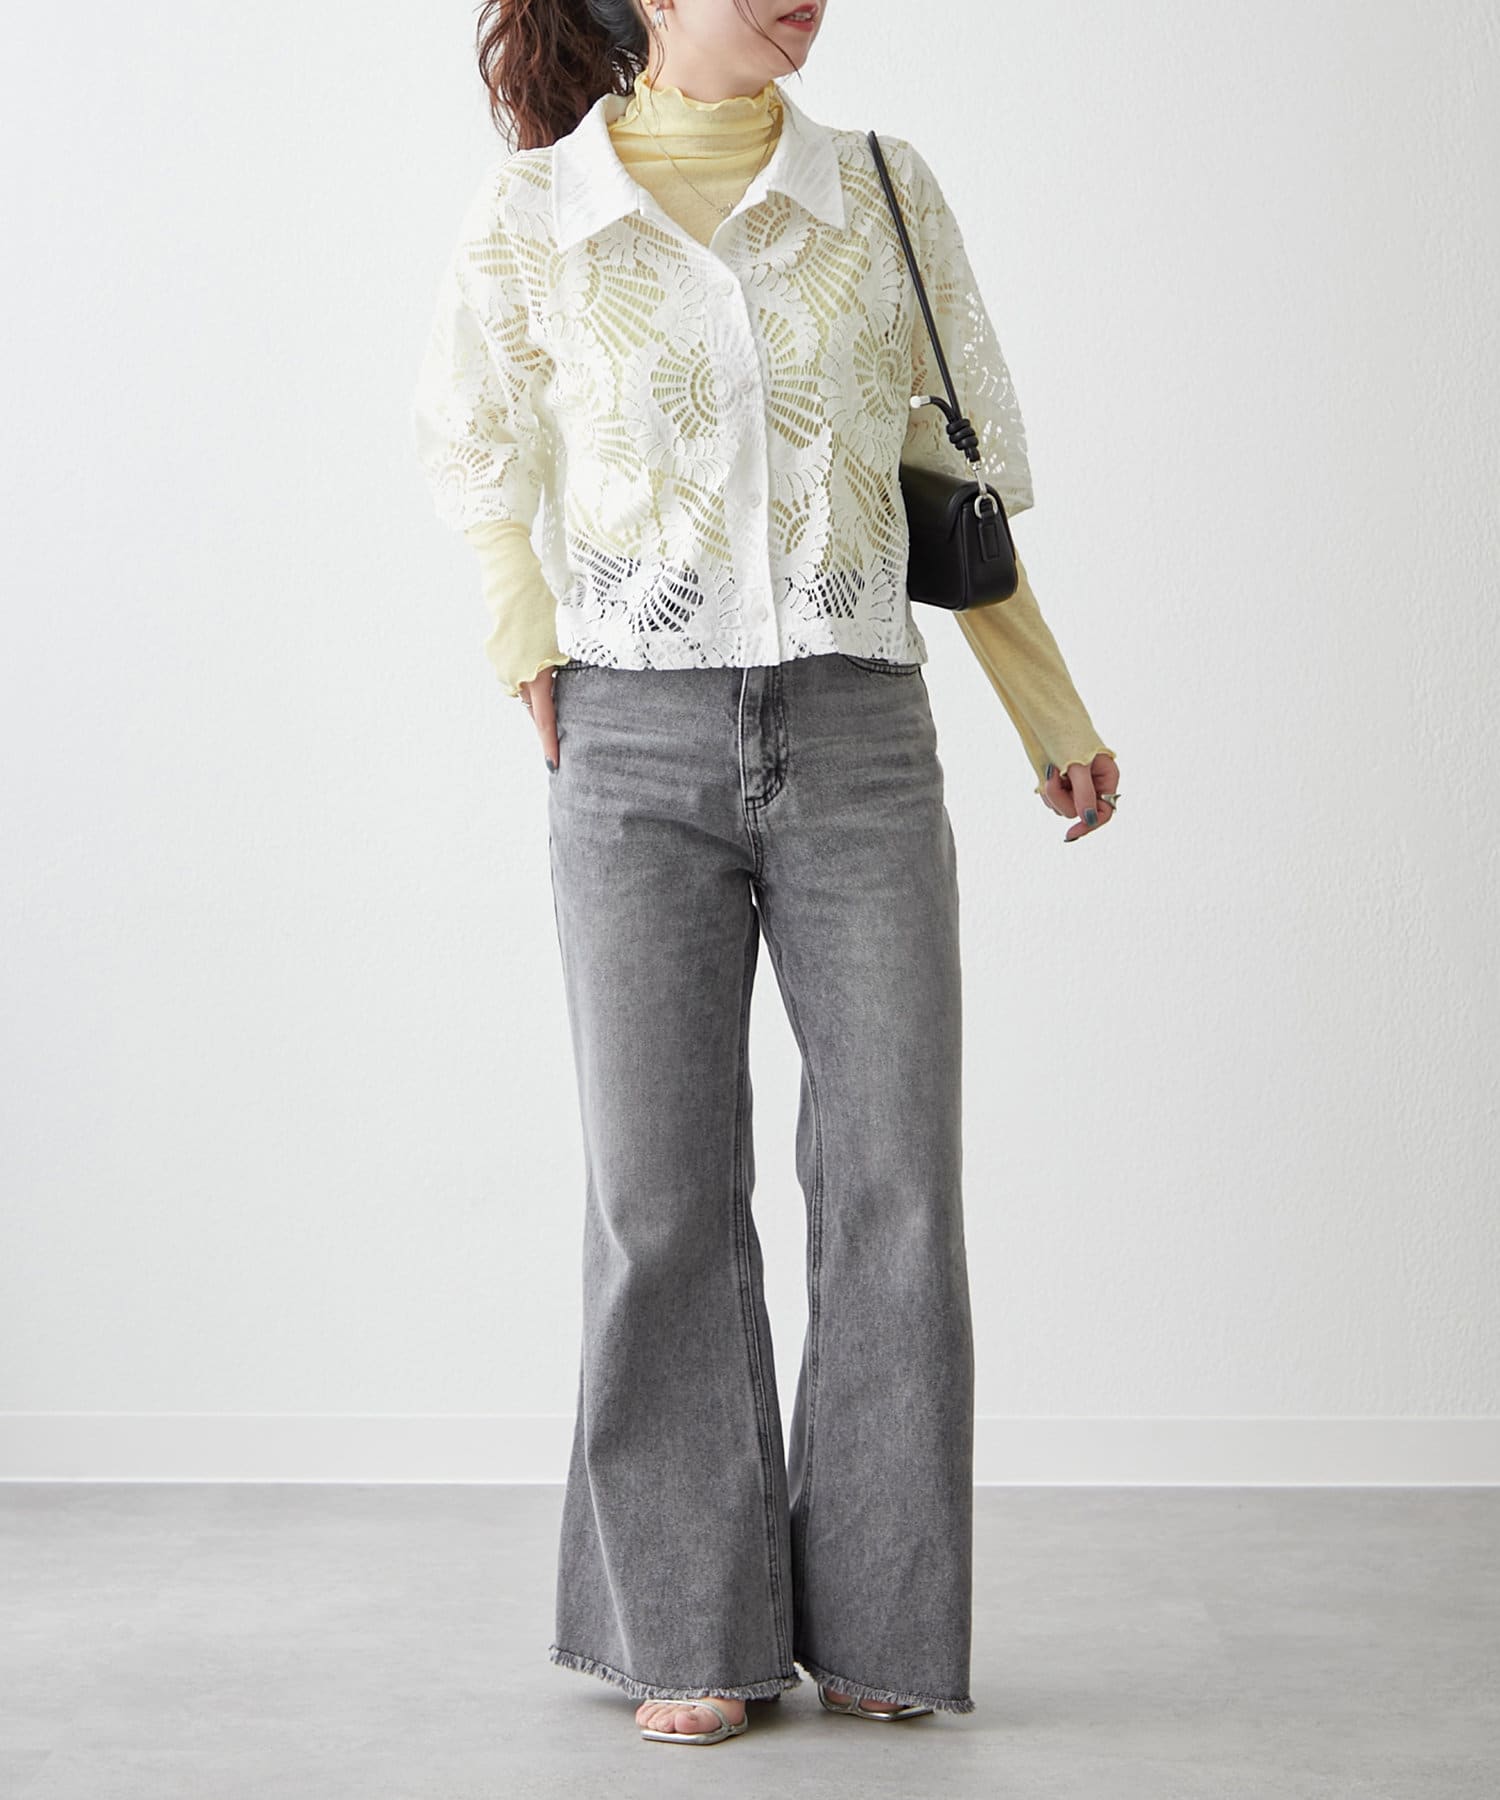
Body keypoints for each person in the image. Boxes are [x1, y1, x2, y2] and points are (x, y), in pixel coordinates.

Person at [411, 0, 1121, 1750]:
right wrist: (524, 645)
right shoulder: (535, 211)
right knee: (659, 1198)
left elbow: (952, 481)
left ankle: (886, 1620)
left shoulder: (883, 187)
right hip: (629, 738)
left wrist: (1052, 712)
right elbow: (475, 446)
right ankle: (692, 1628)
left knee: (893, 1185)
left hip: (861, 726)